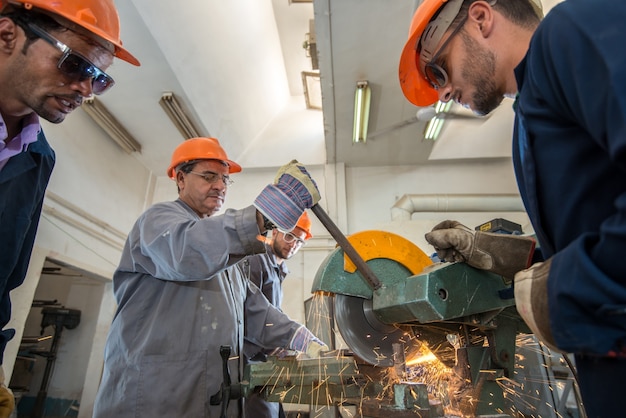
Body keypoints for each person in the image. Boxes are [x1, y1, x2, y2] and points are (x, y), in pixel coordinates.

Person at [398, 0, 626, 416]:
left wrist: (563, 289)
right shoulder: (528, 114)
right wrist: (506, 256)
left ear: (480, 17)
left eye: (440, 69)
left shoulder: (569, 33)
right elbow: (589, 226)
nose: (443, 92)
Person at [93, 137, 328, 418]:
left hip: (210, 396)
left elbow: (254, 310)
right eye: (208, 176)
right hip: (156, 397)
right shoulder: (158, 221)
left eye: (225, 180)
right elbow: (187, 251)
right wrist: (262, 216)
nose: (219, 186)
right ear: (180, 179)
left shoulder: (225, 252)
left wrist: (302, 339)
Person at [0, 0, 139, 415]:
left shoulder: (37, 157)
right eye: (74, 64)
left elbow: (5, 277)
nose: (85, 90)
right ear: (8, 34)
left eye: (98, 79)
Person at [243, 211, 313, 418]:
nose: (293, 244)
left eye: (299, 241)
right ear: (275, 232)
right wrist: (279, 341)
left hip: (264, 360)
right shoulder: (257, 261)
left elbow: (272, 313)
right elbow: (247, 311)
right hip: (249, 360)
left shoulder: (278, 269)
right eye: (290, 236)